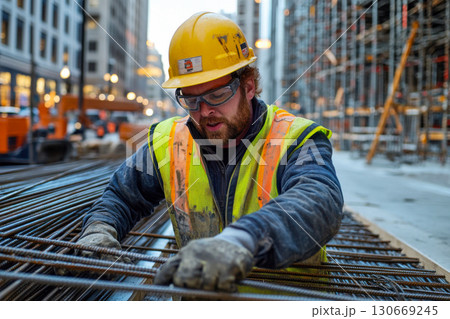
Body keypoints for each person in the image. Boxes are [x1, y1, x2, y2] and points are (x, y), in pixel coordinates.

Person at [77, 12, 343, 292]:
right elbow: (122, 196)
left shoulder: (296, 139)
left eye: (217, 95)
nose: (205, 111)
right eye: (191, 99)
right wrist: (99, 229)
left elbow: (319, 202)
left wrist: (243, 240)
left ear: (248, 86)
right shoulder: (167, 142)